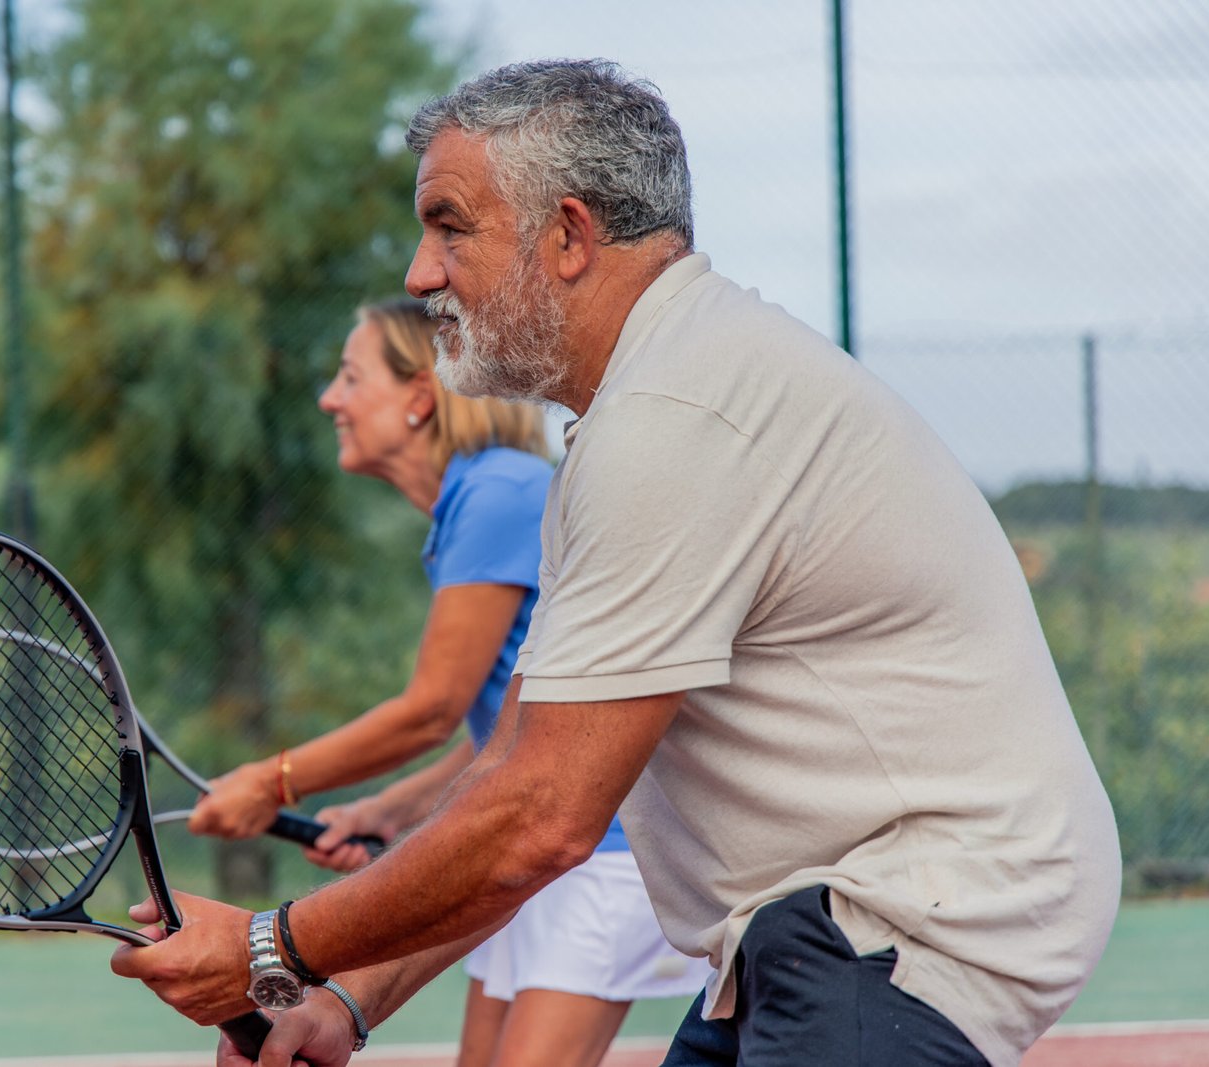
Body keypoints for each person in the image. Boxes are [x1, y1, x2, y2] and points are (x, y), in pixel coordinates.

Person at [111, 59, 1122, 1067]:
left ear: (567, 234)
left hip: (905, 915)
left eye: (450, 225)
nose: (420, 274)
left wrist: (264, 949)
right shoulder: (635, 416)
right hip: (812, 925)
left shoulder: (673, 418)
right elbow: (510, 765)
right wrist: (341, 996)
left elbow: (542, 817)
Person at [187, 297, 708, 1067]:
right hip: (546, 847)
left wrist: (273, 780)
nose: (331, 397)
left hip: (603, 853)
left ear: (418, 399)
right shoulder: (475, 501)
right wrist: (388, 808)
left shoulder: (498, 492)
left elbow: (431, 709)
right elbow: (511, 727)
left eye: (350, 375)